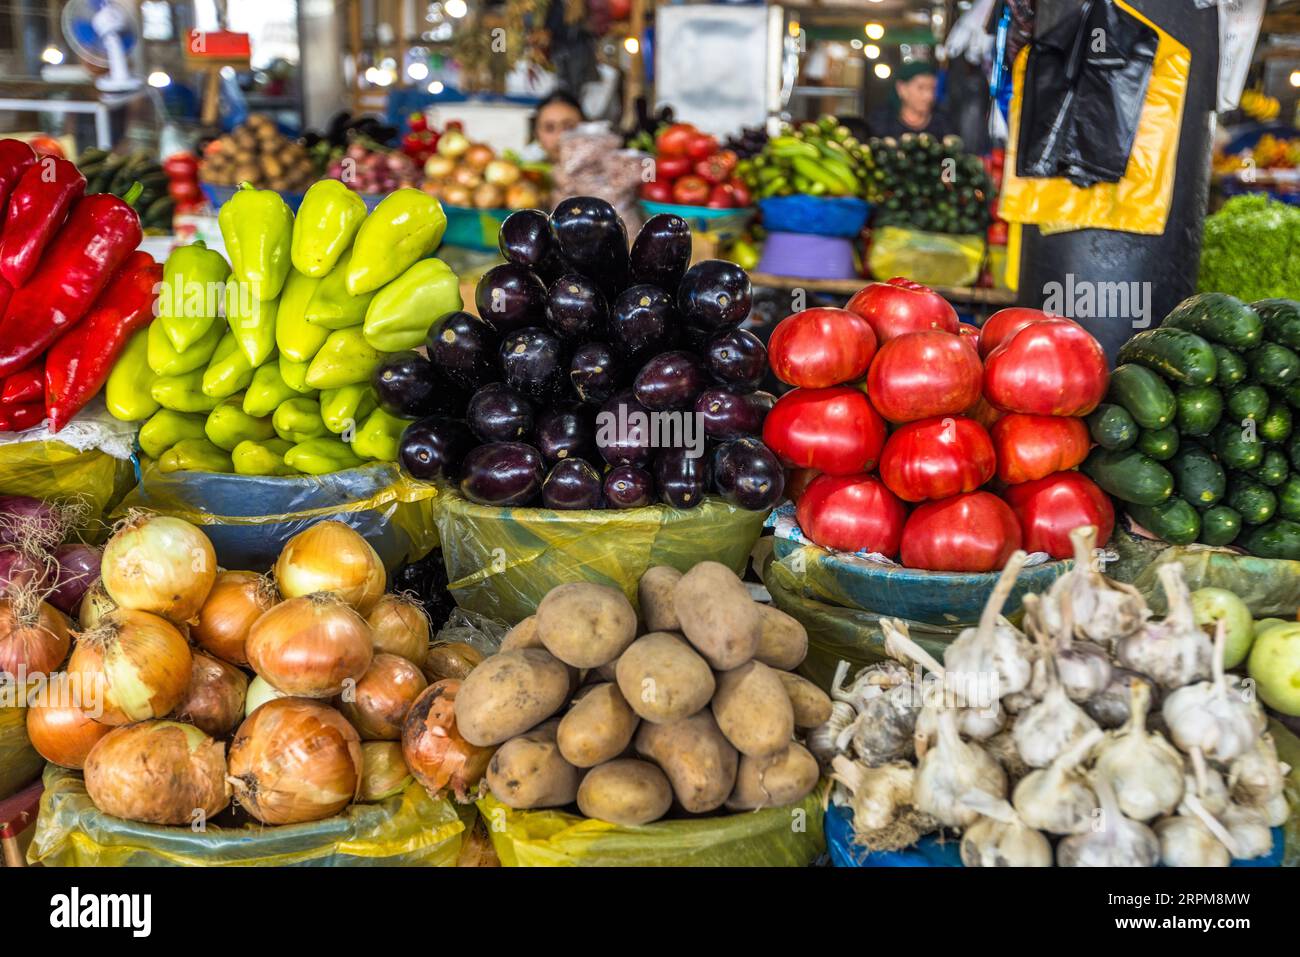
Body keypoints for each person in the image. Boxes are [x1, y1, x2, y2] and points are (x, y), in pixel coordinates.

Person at [868, 62, 952, 139]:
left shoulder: (943, 123)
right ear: (901, 88)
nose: (929, 96)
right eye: (921, 88)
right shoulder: (882, 121)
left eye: (932, 89)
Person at [520, 91, 585, 163]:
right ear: (536, 135)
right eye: (549, 128)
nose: (560, 136)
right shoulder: (526, 171)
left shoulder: (598, 170)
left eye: (569, 127)